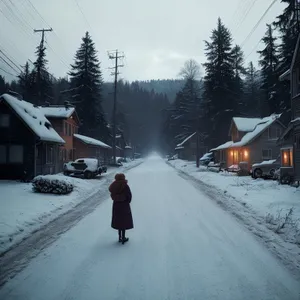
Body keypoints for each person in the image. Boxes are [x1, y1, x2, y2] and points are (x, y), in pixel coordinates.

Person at [109, 173, 134, 244]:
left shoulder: (113, 185)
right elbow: (129, 195)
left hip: (116, 205)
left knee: (118, 221)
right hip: (124, 205)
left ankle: (119, 237)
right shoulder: (125, 185)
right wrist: (126, 201)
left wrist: (117, 199)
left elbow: (112, 195)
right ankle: (123, 237)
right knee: (124, 221)